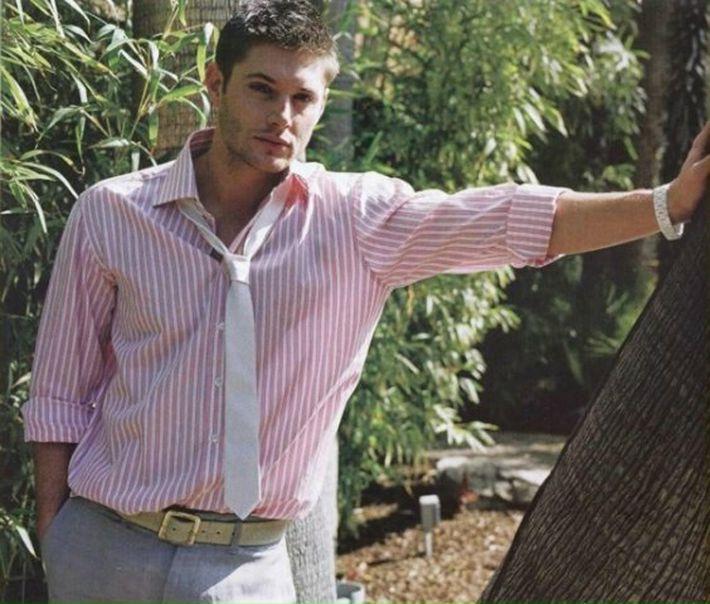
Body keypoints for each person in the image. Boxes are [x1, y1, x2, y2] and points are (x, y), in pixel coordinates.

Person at [22, 1, 709, 603]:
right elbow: (59, 390)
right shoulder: (112, 212)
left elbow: (509, 219)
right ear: (215, 84)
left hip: (243, 568)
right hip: (104, 549)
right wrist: (59, 536)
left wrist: (665, 204)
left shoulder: (356, 221)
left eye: (303, 98)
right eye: (262, 89)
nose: (282, 116)